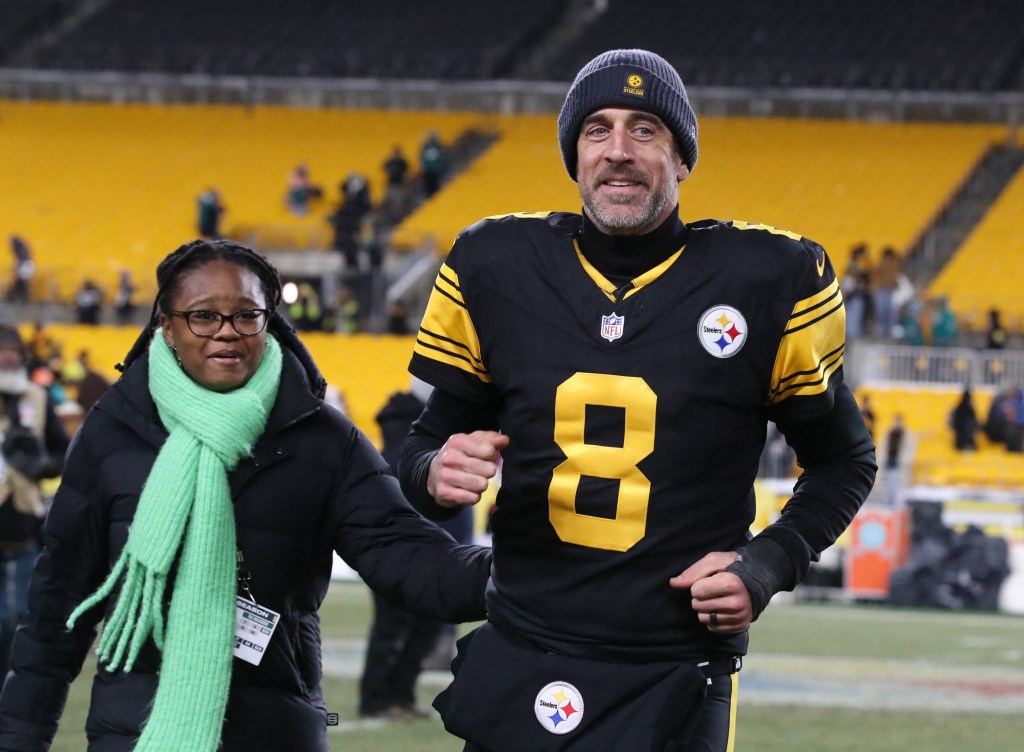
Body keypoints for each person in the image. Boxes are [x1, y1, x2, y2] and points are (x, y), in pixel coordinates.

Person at [397, 49, 876, 752]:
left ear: (682, 158)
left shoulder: (770, 278)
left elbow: (844, 460)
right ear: (574, 156)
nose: (618, 151)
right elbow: (421, 445)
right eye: (598, 130)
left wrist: (769, 563)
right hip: (524, 648)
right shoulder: (496, 263)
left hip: (672, 665)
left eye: (645, 129)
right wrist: (434, 471)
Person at [0, 239, 491, 752]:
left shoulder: (323, 438)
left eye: (246, 315)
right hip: (132, 733)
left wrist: (529, 571)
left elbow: (407, 558)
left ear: (269, 320)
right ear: (165, 326)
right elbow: (57, 607)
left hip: (275, 733)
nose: (227, 332)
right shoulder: (111, 430)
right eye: (203, 316)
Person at [358, 377, 473, 720]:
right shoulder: (407, 441)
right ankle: (375, 700)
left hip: (434, 552)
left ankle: (400, 696)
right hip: (394, 552)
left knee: (423, 628)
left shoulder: (429, 434)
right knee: (392, 627)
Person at [0, 321, 69, 680]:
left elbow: (62, 451)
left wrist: (42, 463)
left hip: (22, 525)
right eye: (1, 350)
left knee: (14, 621)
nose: (8, 356)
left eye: (13, 350)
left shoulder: (37, 397)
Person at [5, 236, 34, 304]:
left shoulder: (19, 248)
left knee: (21, 283)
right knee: (22, 283)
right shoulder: (23, 247)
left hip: (24, 266)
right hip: (27, 265)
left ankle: (17, 297)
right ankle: (21, 297)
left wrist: (17, 268)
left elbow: (21, 258)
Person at [419, 131, 447, 198]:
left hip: (434, 169)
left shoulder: (436, 145)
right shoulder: (426, 146)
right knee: (430, 184)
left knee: (434, 184)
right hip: (430, 169)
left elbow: (442, 154)